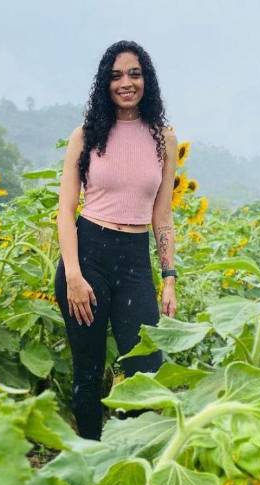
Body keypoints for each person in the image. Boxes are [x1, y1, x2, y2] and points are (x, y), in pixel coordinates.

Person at [54, 41, 178, 440]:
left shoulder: (164, 139)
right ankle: (90, 461)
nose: (126, 83)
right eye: (116, 76)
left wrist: (170, 276)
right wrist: (73, 274)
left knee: (146, 368)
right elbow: (65, 210)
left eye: (134, 74)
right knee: (88, 373)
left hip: (135, 261)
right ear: (105, 84)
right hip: (87, 256)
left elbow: (162, 215)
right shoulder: (86, 135)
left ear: (147, 80)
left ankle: (125, 449)